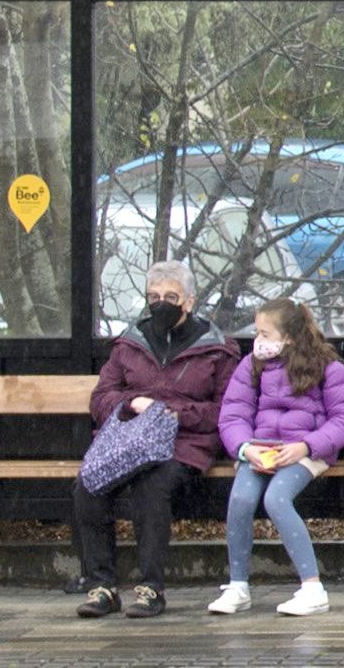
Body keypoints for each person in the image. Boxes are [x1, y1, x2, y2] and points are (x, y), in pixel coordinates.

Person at [72, 261, 244, 619]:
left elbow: (224, 410)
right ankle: (101, 586)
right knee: (88, 483)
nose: (160, 303)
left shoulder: (217, 349)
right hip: (129, 440)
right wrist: (130, 403)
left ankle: (152, 589)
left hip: (184, 444)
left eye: (170, 296)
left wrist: (172, 412)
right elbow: (101, 397)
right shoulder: (129, 344)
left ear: (190, 301)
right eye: (153, 296)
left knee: (152, 486)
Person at [208, 300, 344, 616]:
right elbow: (233, 414)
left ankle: (312, 588)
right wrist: (246, 449)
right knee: (241, 499)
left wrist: (306, 446)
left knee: (277, 498)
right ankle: (238, 586)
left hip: (307, 451)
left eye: (265, 333)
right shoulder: (252, 365)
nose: (258, 340)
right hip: (261, 449)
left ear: (289, 336)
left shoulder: (327, 366)